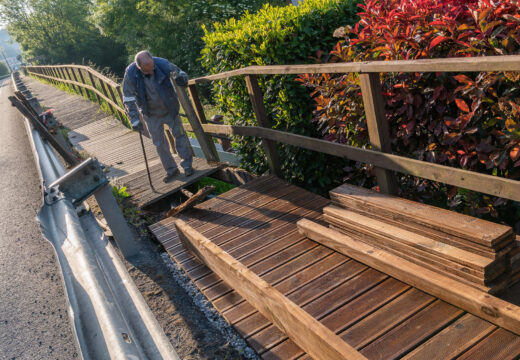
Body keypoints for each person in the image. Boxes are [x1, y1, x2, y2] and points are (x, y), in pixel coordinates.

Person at [122, 50, 194, 183]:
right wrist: (135, 118)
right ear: (139, 67)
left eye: (152, 69)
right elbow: (128, 97)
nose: (150, 72)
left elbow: (181, 73)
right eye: (146, 72)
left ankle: (187, 166)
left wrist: (182, 79)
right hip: (150, 114)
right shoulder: (131, 74)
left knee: (180, 136)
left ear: (153, 61)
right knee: (159, 144)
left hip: (170, 109)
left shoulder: (162, 63)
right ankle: (171, 170)